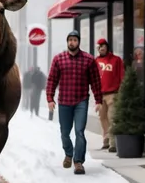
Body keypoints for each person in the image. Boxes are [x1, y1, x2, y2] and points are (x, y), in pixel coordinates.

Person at [46, 30, 102, 175]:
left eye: (74, 40)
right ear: (67, 42)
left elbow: (95, 81)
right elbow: (52, 80)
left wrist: (98, 100)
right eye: (70, 40)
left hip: (81, 101)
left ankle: (78, 162)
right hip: (64, 101)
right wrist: (50, 99)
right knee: (65, 133)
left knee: (79, 132)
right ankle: (69, 154)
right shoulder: (59, 59)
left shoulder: (89, 60)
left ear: (78, 42)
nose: (72, 42)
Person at [95, 39, 124, 152]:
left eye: (103, 46)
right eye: (99, 46)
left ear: (107, 47)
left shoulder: (116, 60)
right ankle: (106, 140)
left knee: (112, 117)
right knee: (102, 118)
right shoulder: (95, 61)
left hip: (113, 94)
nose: (101, 48)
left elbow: (122, 76)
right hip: (100, 95)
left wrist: (120, 91)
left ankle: (113, 143)